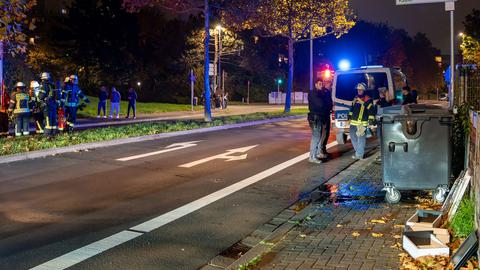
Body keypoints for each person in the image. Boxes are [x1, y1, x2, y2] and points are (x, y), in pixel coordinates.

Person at [307, 79, 333, 163]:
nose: (321, 85)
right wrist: (326, 103)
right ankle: (312, 157)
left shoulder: (320, 93)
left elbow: (328, 104)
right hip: (315, 117)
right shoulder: (312, 93)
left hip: (320, 117)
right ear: (315, 84)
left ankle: (318, 153)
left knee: (320, 136)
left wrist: (327, 104)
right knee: (316, 137)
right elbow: (321, 104)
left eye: (322, 84)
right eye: (319, 84)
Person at [348, 83, 375, 159]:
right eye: (358, 90)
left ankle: (359, 155)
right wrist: (349, 115)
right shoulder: (355, 98)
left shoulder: (368, 99)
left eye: (361, 90)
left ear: (364, 90)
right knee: (353, 138)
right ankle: (358, 152)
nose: (359, 91)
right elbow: (352, 108)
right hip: (353, 122)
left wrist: (370, 119)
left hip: (362, 123)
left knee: (361, 139)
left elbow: (371, 110)